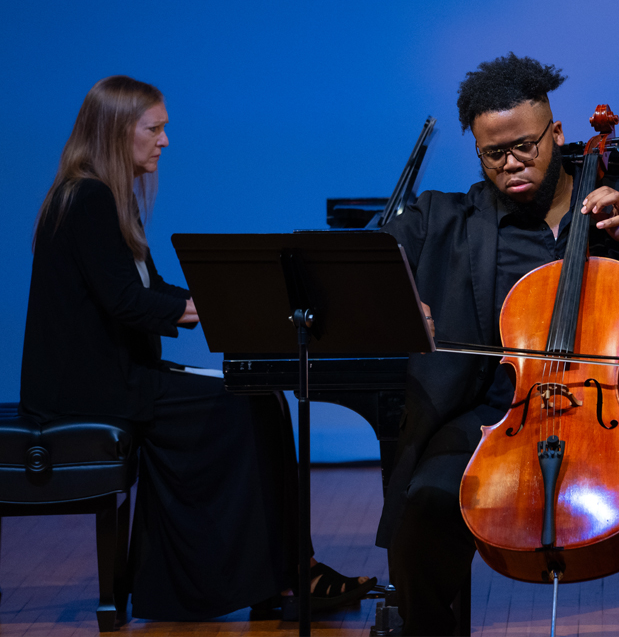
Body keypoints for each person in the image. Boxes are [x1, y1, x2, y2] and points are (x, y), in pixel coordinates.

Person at [376, 54, 619, 636]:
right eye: (493, 154)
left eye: (525, 146)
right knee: (425, 507)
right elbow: (368, 266)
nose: (512, 165)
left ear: (557, 133)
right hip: (496, 413)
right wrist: (393, 304)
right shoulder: (446, 219)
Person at [19, 75, 373, 621]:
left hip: (117, 376)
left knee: (263, 397)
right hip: (91, 392)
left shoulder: (108, 198)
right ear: (118, 131)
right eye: (154, 128)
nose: (165, 141)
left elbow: (148, 291)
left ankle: (284, 573)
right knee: (246, 402)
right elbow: (125, 303)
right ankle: (268, 580)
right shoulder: (87, 198)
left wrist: (221, 304)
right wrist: (227, 311)